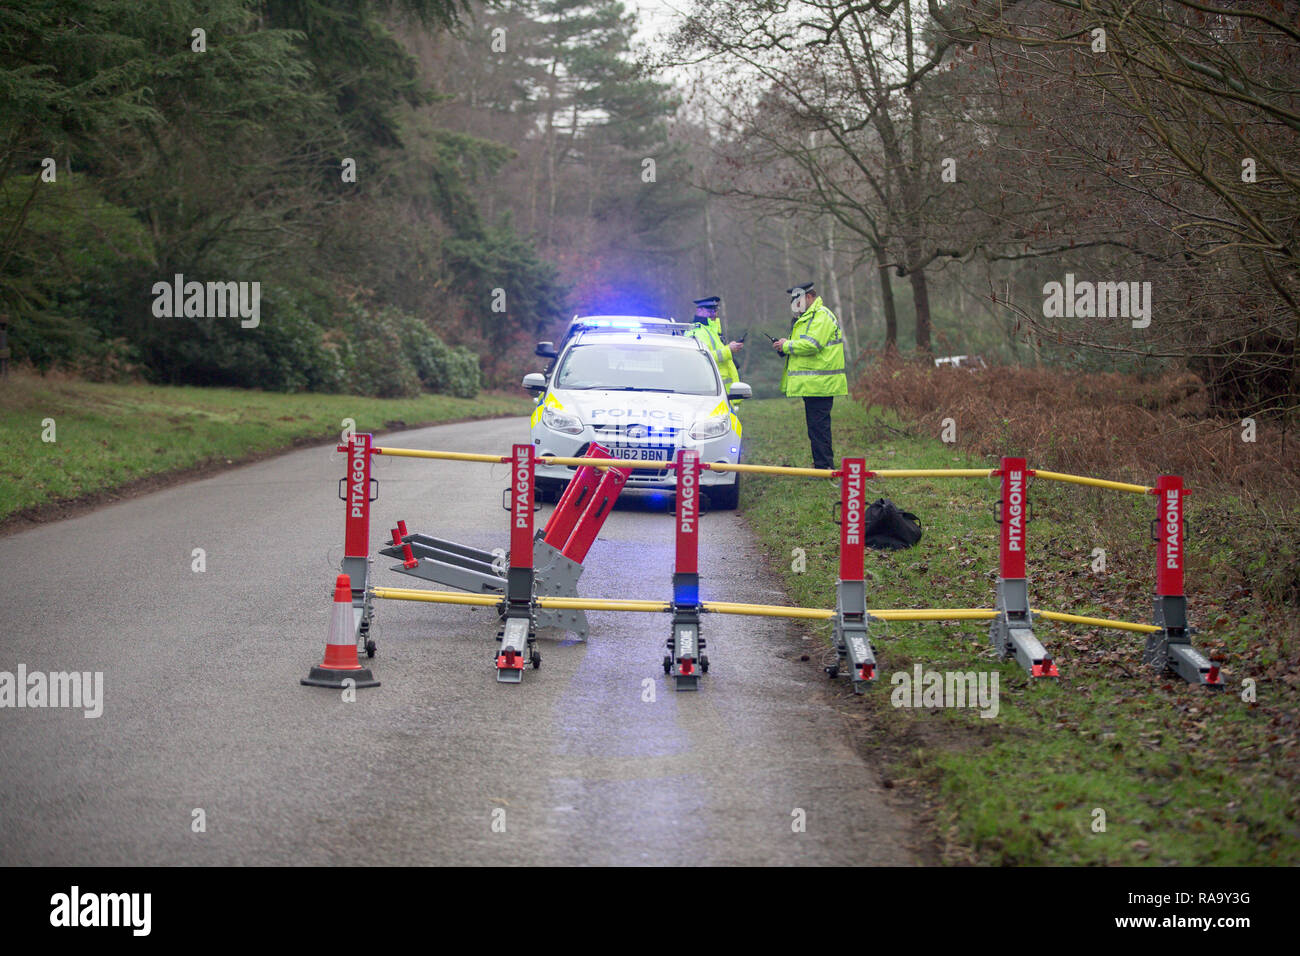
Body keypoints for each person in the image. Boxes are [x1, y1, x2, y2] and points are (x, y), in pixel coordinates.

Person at [772, 282, 847, 470]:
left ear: (809, 297)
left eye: (797, 299)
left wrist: (787, 345)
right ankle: (821, 464)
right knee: (816, 428)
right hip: (814, 384)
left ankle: (824, 467)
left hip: (821, 383)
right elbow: (803, 344)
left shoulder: (821, 316)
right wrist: (784, 347)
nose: (795, 304)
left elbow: (812, 344)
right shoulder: (808, 317)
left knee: (819, 429)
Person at [687, 295, 742, 389]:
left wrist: (729, 349)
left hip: (720, 389)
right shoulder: (696, 331)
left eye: (715, 310)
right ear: (699, 310)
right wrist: (728, 350)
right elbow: (702, 358)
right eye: (710, 311)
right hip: (712, 388)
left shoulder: (711, 329)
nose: (714, 314)